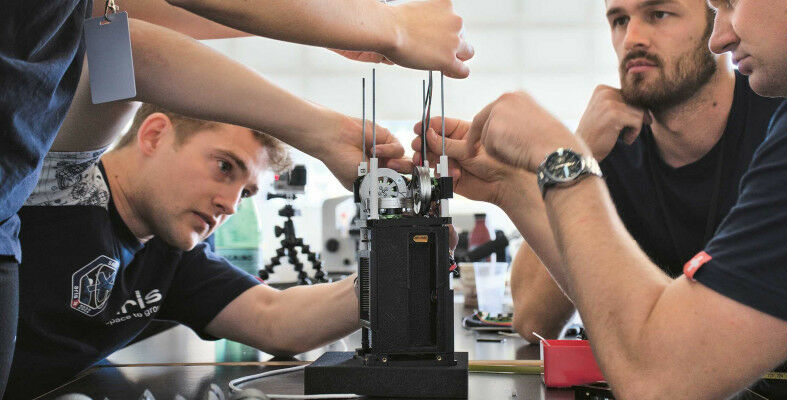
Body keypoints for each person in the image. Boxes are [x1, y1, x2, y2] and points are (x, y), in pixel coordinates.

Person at [0, 1, 471, 395]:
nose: (229, 204)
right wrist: (324, 129)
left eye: (246, 192)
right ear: (154, 134)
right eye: (224, 166)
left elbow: (277, 319)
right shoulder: (59, 184)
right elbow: (120, 44)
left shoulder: (171, 254)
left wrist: (397, 265)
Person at [422, 0, 787, 397]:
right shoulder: (616, 137)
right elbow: (533, 315)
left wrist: (564, 159)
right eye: (619, 20)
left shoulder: (782, 124)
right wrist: (534, 174)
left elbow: (662, 378)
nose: (632, 38)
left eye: (659, 14)